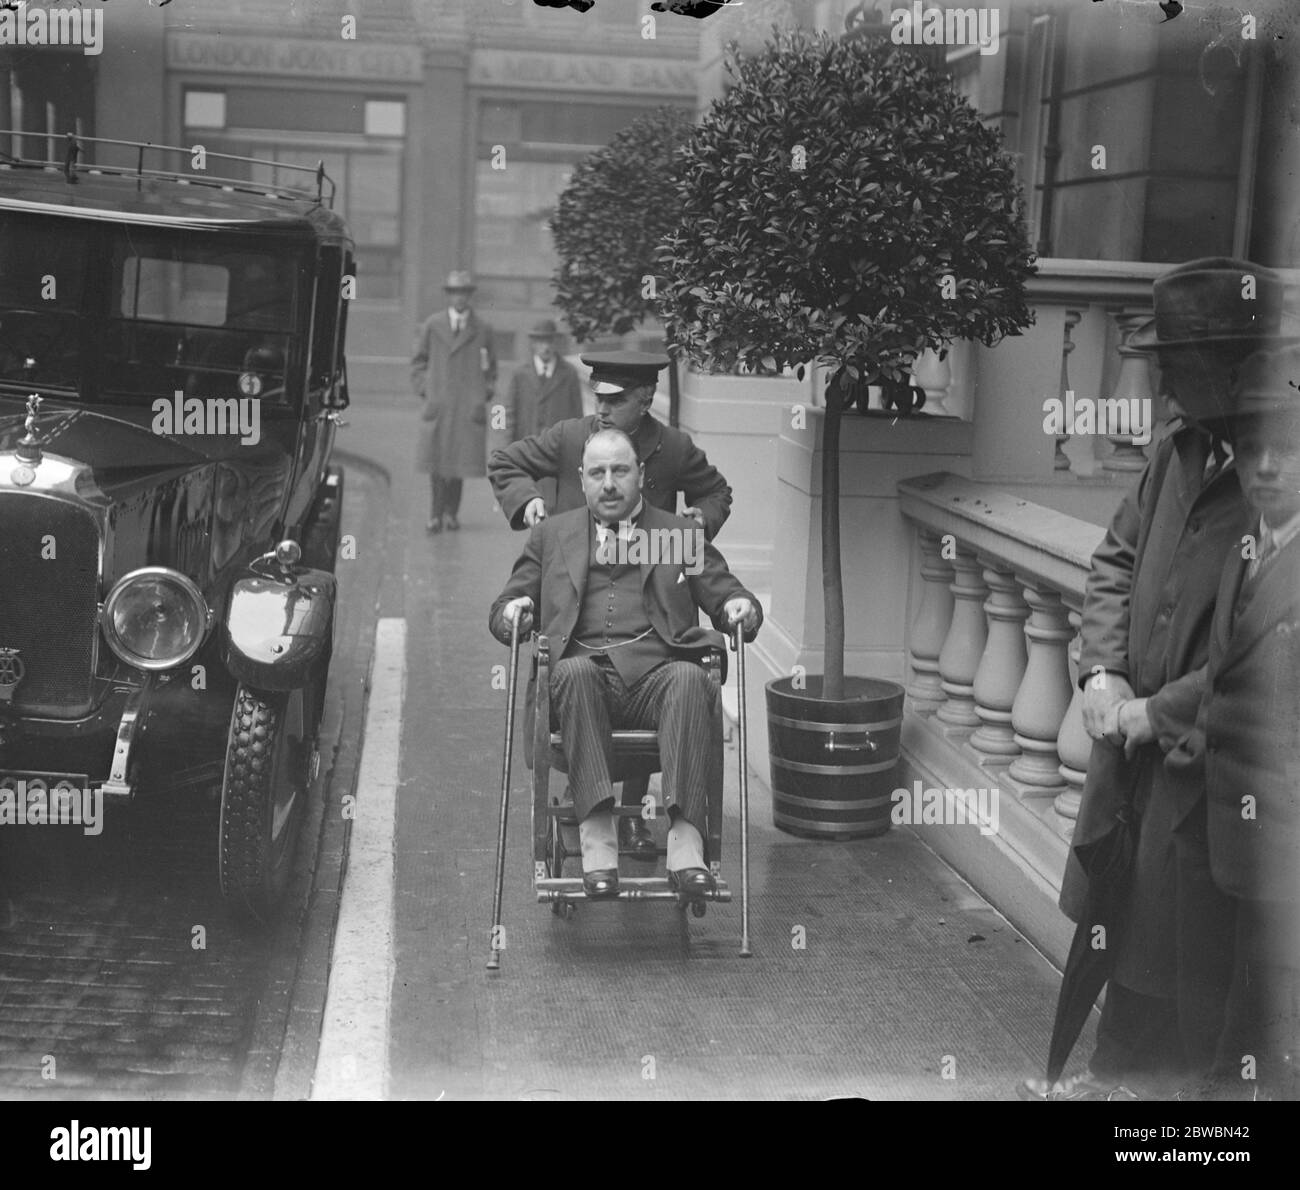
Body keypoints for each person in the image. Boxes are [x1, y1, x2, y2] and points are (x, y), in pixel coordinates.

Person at [1030, 258, 1295, 1101]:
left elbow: (1263, 648)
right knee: (1122, 943)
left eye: (1174, 360)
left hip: (1212, 777)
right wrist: (1102, 674)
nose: (1161, 378)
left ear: (1230, 368)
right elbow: (1113, 560)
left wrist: (1160, 712)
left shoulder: (1274, 471)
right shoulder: (1174, 450)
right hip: (1135, 763)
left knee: (1197, 986)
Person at [488, 427, 760, 899]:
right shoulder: (554, 535)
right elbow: (508, 601)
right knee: (571, 669)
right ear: (582, 478)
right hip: (582, 685)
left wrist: (740, 606)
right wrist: (515, 612)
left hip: (658, 681)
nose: (609, 483)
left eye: (619, 471)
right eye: (597, 473)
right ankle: (597, 843)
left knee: (690, 677)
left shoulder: (677, 535)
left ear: (640, 474)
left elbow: (724, 590)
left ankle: (686, 847)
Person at [1164, 344, 1300, 1100]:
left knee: (1266, 1041)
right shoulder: (1247, 550)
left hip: (1282, 847)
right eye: (1253, 449)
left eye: (1287, 448)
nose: (1268, 466)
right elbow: (1227, 672)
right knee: (1213, 1023)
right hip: (1217, 827)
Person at [410, 270, 498, 533]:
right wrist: (427, 390)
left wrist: (483, 394)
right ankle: (435, 514)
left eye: (464, 293)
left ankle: (451, 513)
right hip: (440, 405)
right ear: (448, 296)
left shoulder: (483, 329)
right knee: (437, 461)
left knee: (459, 462)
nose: (460, 299)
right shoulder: (433, 325)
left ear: (470, 296)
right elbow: (418, 363)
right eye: (455, 293)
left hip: (466, 407)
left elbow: (492, 369)